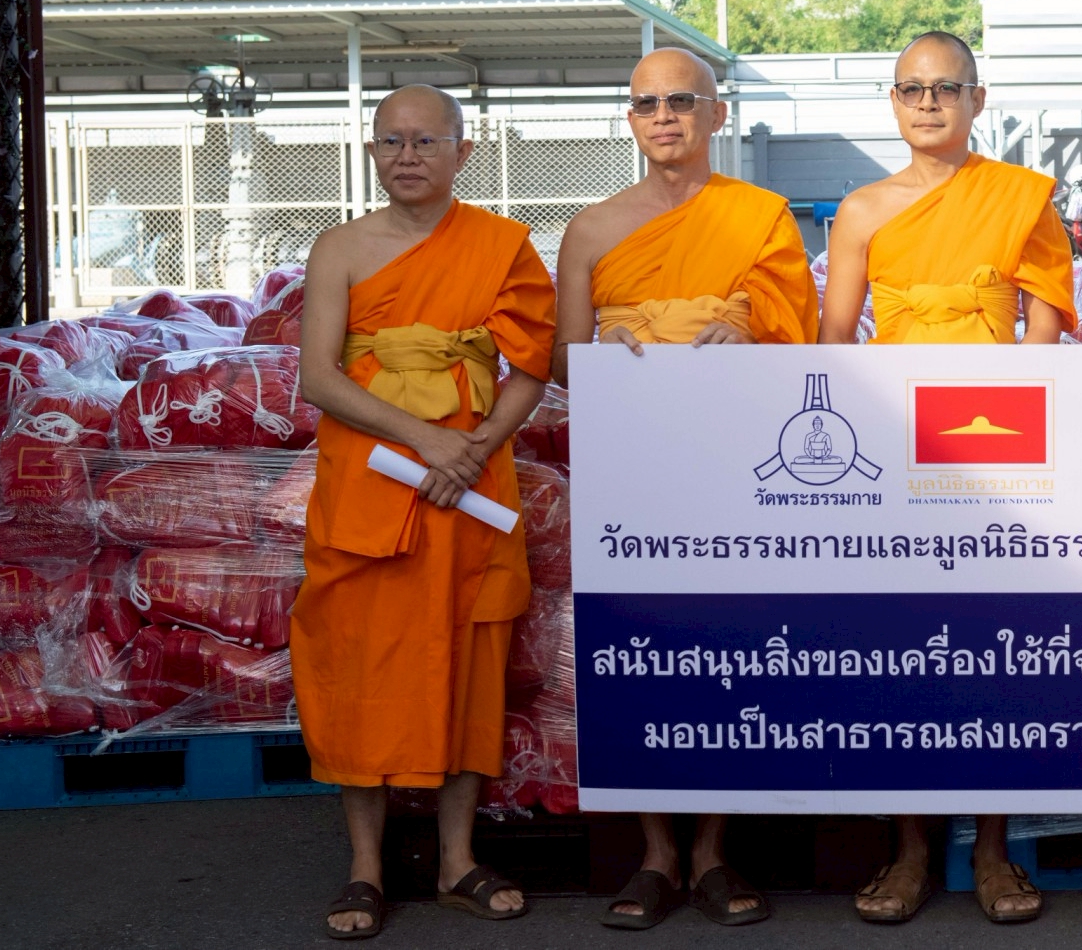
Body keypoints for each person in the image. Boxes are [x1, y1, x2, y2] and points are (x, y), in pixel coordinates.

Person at [553, 47, 818, 931]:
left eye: (680, 101)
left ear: (715, 114)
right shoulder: (591, 227)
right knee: (639, 641)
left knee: (728, 638)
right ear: (630, 120)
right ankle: (656, 851)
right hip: (631, 455)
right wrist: (613, 353)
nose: (663, 116)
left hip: (737, 452)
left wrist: (754, 342)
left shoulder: (760, 214)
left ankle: (711, 848)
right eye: (645, 103)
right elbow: (562, 359)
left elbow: (800, 333)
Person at [819, 30, 1076, 925]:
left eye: (945, 88)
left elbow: (1047, 320)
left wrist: (1008, 400)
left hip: (994, 437)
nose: (928, 103)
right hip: (891, 441)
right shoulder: (859, 209)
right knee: (900, 646)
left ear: (976, 98)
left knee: (994, 645)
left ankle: (995, 850)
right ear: (893, 102)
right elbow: (836, 341)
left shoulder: (1019, 197)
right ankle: (911, 850)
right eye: (911, 89)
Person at [291, 84, 557, 939]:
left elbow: (530, 367)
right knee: (358, 670)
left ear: (462, 151)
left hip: (470, 491)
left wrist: (469, 449)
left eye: (425, 141)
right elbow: (319, 376)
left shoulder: (501, 245)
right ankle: (366, 868)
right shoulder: (339, 248)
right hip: (371, 486)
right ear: (372, 152)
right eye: (390, 142)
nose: (407, 156)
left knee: (467, 662)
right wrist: (423, 441)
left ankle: (456, 859)